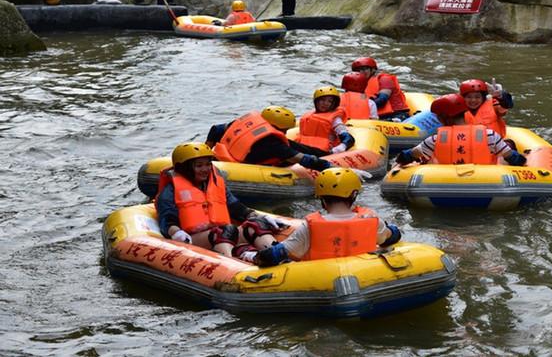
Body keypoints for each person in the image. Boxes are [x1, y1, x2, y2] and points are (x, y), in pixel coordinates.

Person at [154, 142, 285, 262]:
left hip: (224, 234)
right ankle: (232, 263)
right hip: (193, 239)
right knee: (223, 231)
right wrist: (176, 232)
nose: (205, 169)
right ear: (184, 168)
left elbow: (236, 207)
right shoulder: (169, 192)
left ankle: (278, 255)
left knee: (256, 225)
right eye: (199, 166)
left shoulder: (215, 183)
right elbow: (167, 220)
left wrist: (262, 217)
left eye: (207, 164)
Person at [252, 167, 402, 267]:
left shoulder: (309, 227)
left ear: (321, 198)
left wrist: (250, 256)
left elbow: (273, 255)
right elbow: (393, 236)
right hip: (364, 273)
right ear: (354, 194)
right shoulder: (371, 219)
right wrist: (390, 228)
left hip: (322, 278)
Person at [395, 94, 527, 166]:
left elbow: (407, 156)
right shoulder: (490, 135)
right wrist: (523, 161)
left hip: (443, 185)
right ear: (464, 113)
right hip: (486, 183)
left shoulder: (434, 140)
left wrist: (400, 160)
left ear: (443, 118)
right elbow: (514, 158)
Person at [205, 106, 333, 172]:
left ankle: (325, 153)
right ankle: (326, 154)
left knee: (293, 145)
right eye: (285, 130)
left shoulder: (239, 124)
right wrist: (329, 165)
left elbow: (215, 129)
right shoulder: (274, 145)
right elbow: (304, 159)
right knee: (293, 149)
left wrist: (207, 150)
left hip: (221, 157)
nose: (285, 133)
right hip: (236, 168)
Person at [294, 87, 355, 156]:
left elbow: (348, 138)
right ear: (316, 101)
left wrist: (338, 149)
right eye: (322, 100)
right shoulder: (308, 116)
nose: (326, 103)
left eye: (330, 101)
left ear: (334, 104)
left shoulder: (335, 119)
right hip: (303, 148)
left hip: (322, 152)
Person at [351, 57, 410, 121]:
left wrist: (361, 108)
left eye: (364, 69)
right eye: (357, 70)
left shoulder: (384, 79)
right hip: (378, 117)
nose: (360, 72)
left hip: (396, 114)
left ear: (373, 69)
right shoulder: (359, 85)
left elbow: (382, 99)